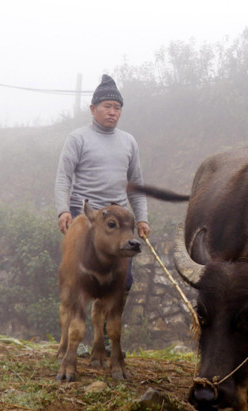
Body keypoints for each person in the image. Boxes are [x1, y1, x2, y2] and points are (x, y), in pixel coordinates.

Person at [54, 74, 150, 292]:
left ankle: (106, 325)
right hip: (86, 218)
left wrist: (142, 219)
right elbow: (63, 178)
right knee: (81, 280)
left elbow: (136, 185)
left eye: (117, 107)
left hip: (119, 221)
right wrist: (62, 211)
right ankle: (76, 324)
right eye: (107, 106)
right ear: (92, 108)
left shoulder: (128, 141)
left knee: (123, 282)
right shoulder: (77, 138)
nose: (112, 112)